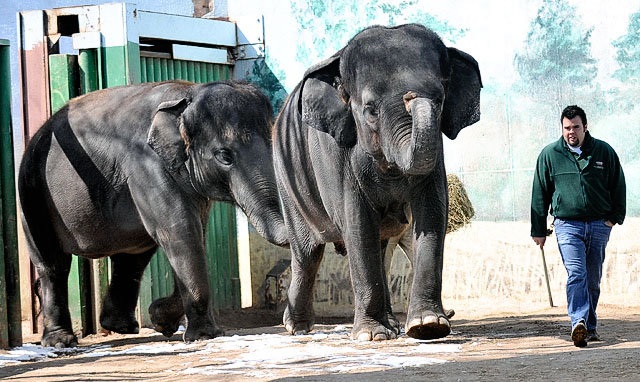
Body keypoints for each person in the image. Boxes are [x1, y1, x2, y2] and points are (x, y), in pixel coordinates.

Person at [530, 105, 626, 348]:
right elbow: (540, 193)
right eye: (566, 128)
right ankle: (578, 322)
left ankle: (590, 328)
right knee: (576, 273)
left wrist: (613, 218)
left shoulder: (603, 152)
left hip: (599, 224)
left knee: (592, 279)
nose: (571, 132)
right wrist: (538, 230)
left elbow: (618, 185)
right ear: (561, 128)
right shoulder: (550, 154)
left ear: (585, 126)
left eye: (575, 127)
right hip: (567, 225)